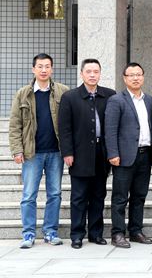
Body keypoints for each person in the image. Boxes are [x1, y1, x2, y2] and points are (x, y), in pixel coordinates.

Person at [9, 53, 69, 248]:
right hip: (31, 153)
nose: (44, 70)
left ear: (52, 69)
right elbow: (15, 125)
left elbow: (70, 122)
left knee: (55, 194)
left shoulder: (63, 92)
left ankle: (50, 232)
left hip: (56, 152)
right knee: (29, 195)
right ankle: (28, 234)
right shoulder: (23, 94)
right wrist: (17, 150)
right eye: (40, 66)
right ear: (33, 69)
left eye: (47, 66)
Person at [58, 58, 116, 249]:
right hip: (79, 153)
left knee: (99, 195)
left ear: (100, 74)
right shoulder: (70, 97)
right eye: (88, 71)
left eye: (96, 71)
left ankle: (95, 233)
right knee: (79, 196)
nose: (92, 75)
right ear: (81, 74)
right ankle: (77, 235)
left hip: (102, 152)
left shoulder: (109, 95)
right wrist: (67, 152)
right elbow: (64, 129)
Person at [104, 62, 152, 248]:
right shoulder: (116, 100)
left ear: (143, 77)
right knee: (120, 197)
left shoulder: (150, 100)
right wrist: (113, 153)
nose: (135, 78)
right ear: (125, 78)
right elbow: (110, 130)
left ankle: (136, 231)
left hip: (145, 155)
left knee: (139, 196)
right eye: (131, 75)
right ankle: (117, 233)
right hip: (124, 157)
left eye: (138, 74)